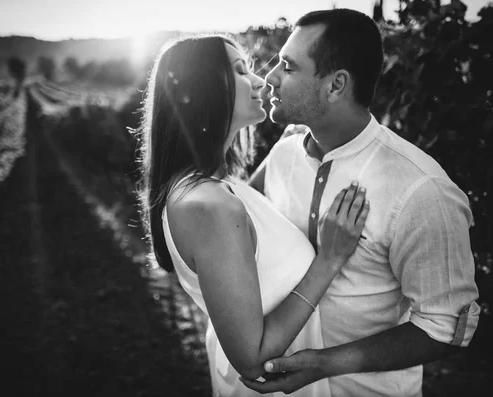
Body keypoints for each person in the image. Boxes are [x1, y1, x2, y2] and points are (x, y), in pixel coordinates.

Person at [242, 8, 481, 397]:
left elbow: (445, 327)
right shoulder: (281, 157)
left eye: (287, 66)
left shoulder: (421, 189)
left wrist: (326, 364)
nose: (269, 78)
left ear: (335, 86)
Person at [137, 34, 370, 397]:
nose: (261, 79)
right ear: (196, 90)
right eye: (240, 70)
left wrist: (296, 143)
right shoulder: (212, 208)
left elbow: (254, 206)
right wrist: (330, 259)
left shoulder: (215, 186)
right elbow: (253, 358)